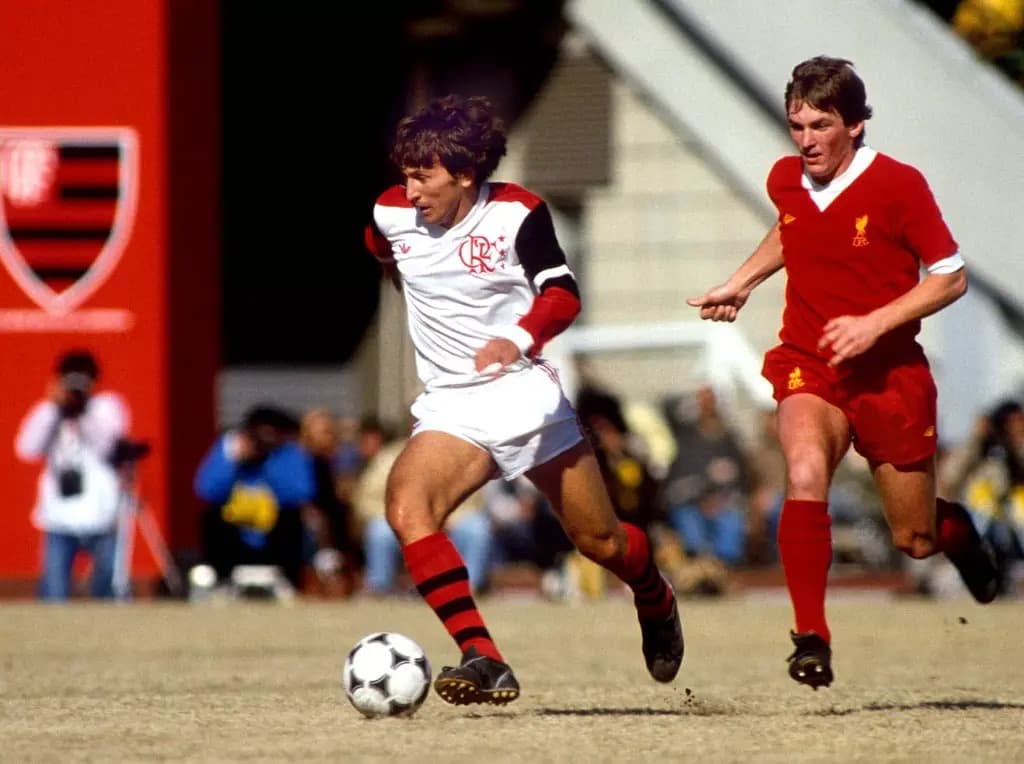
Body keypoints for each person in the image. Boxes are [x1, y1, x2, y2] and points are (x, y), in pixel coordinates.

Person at [686, 56, 999, 690]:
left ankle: (958, 531)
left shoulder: (898, 186)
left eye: (820, 125)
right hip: (811, 360)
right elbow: (790, 229)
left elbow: (951, 275)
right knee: (803, 473)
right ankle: (811, 639)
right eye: (795, 125)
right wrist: (741, 282)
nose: (805, 141)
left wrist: (875, 323)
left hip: (889, 375)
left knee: (913, 537)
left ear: (854, 125)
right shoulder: (787, 178)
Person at [363, 93, 682, 706]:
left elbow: (563, 296)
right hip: (453, 401)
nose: (411, 188)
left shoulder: (518, 213)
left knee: (602, 544)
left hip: (522, 394)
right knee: (407, 508)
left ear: (465, 174)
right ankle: (483, 657)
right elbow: (385, 256)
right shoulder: (389, 212)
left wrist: (516, 336)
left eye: (423, 175)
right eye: (405, 173)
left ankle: (655, 595)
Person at [14, 349, 130, 600]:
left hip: (101, 516)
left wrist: (83, 412)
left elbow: (108, 446)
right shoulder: (49, 411)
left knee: (107, 590)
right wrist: (54, 409)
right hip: (59, 517)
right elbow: (26, 448)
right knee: (53, 593)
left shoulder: (106, 407)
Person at [193, 405, 315, 593]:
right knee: (211, 518)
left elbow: (301, 492)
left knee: (293, 519)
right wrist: (233, 461)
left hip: (274, 532)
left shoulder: (288, 453)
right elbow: (206, 490)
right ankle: (222, 578)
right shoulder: (229, 449)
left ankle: (288, 580)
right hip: (236, 529)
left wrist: (269, 463)